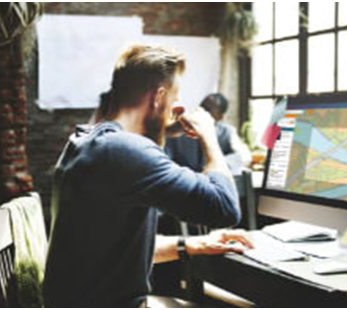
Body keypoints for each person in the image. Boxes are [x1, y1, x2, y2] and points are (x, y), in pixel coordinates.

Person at [43, 44, 253, 307]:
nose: (175, 110)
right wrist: (208, 135)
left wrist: (193, 244)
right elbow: (225, 208)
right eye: (174, 100)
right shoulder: (125, 151)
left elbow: (115, 251)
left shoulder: (86, 142)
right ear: (158, 97)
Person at [165, 93, 251, 175]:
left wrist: (218, 164)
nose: (202, 112)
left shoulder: (226, 132)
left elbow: (244, 156)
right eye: (201, 107)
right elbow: (166, 160)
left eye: (208, 110)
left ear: (219, 117)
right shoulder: (179, 131)